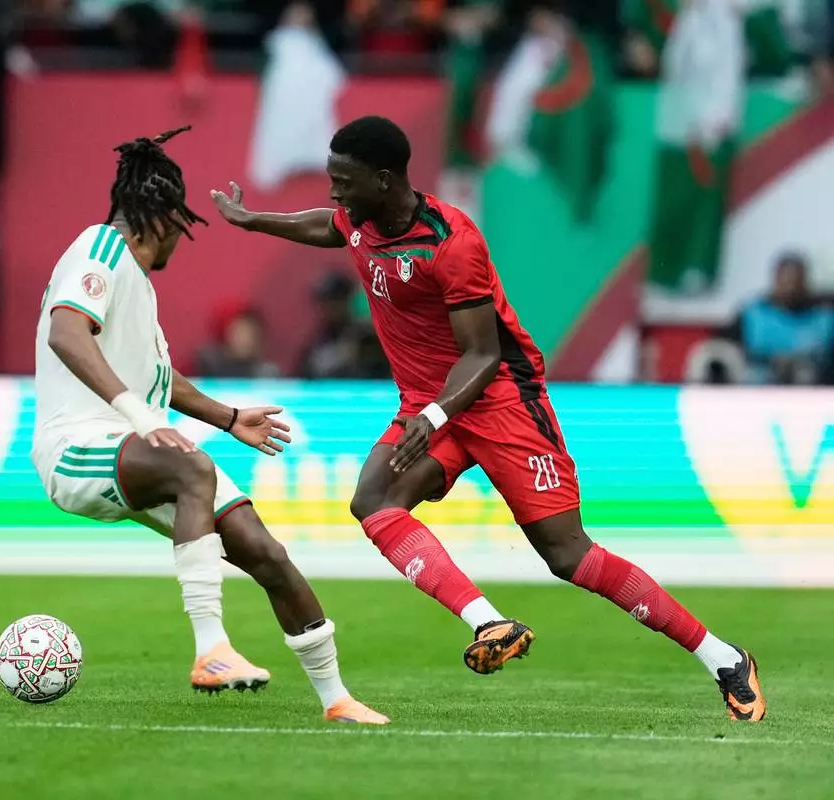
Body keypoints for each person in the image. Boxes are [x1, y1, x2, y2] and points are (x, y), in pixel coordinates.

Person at [211, 115, 766, 722]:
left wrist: (434, 412)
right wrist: (253, 220)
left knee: (568, 555)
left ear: (385, 178)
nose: (335, 194)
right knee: (373, 500)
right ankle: (489, 622)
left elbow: (484, 353)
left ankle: (723, 658)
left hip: (498, 399)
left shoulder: (452, 243)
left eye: (344, 181)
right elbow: (329, 227)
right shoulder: (361, 220)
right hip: (430, 405)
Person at [33, 127, 387, 724]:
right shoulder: (99, 250)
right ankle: (211, 650)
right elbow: (66, 333)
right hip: (77, 446)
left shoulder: (137, 287)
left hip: (135, 444)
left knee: (266, 552)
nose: (182, 238)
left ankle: (337, 700)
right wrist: (138, 413)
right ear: (163, 217)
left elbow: (163, 383)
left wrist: (228, 418)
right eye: (181, 223)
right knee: (189, 467)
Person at [725, 253, 834, 386]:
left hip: (812, 391)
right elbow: (726, 351)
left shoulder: (825, 317)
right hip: (757, 389)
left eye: (796, 281)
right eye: (785, 281)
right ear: (775, 280)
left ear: (805, 282)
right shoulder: (751, 314)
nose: (791, 288)